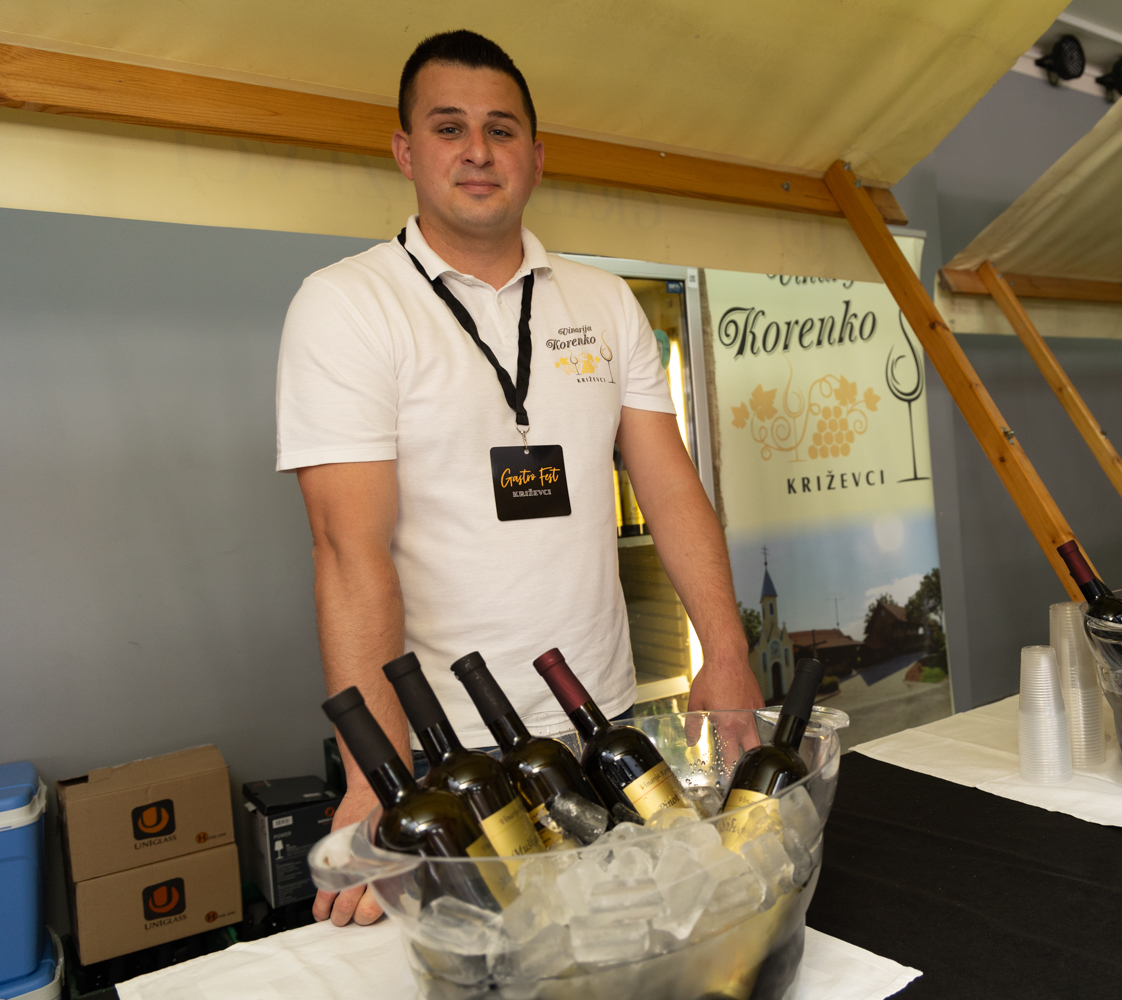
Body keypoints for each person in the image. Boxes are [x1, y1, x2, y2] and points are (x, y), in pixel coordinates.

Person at [276, 30, 762, 927]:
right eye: (449, 127)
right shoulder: (348, 304)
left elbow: (671, 488)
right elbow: (348, 550)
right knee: (486, 963)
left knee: (633, 942)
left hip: (602, 725)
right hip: (444, 755)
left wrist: (727, 655)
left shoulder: (603, 302)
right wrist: (376, 778)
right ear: (406, 151)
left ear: (536, 158)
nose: (477, 151)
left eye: (501, 130)